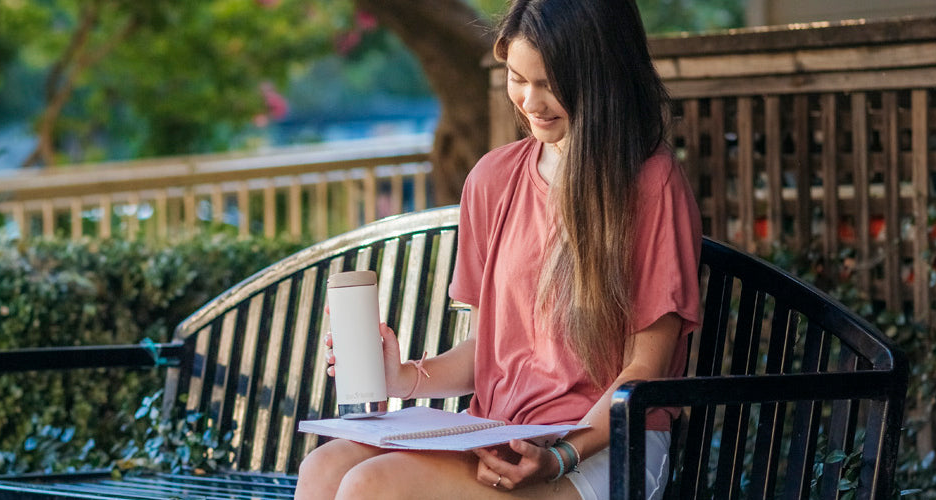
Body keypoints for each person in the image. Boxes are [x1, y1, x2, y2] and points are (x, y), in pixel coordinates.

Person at [294, 0, 702, 499]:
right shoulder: (492, 179)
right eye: (517, 77)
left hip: (606, 447)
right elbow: (488, 351)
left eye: (550, 83)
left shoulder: (649, 184)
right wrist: (401, 377)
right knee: (325, 465)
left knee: (372, 485)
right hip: (499, 432)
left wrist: (558, 457)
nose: (529, 101)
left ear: (603, 75)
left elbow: (645, 371)